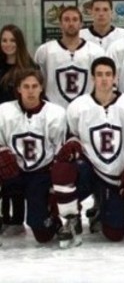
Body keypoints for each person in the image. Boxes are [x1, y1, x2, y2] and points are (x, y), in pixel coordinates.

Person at [51, 57, 124, 248]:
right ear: (92, 78)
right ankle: (71, 217)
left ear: (115, 78)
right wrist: (72, 142)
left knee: (115, 233)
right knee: (62, 169)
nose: (104, 79)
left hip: (117, 174)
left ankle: (103, 210)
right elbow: (71, 137)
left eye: (108, 74)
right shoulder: (78, 106)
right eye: (99, 74)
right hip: (88, 169)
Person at [0, 69, 65, 244]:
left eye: (34, 86)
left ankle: (52, 219)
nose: (30, 91)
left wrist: (54, 186)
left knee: (42, 235)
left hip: (40, 175)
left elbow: (60, 153)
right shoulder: (4, 111)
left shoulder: (55, 113)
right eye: (26, 86)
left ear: (41, 88)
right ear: (18, 88)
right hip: (12, 172)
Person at [0, 24, 37, 235]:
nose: (8, 44)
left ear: (19, 43)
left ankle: (17, 219)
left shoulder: (29, 67)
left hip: (20, 125)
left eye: (12, 40)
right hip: (0, 125)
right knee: (3, 170)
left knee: (16, 169)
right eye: (4, 40)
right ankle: (4, 216)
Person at [34, 6, 105, 109]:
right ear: (60, 24)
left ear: (81, 24)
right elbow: (37, 82)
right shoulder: (45, 51)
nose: (71, 23)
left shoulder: (96, 52)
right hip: (53, 110)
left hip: (86, 110)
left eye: (75, 20)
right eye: (66, 20)